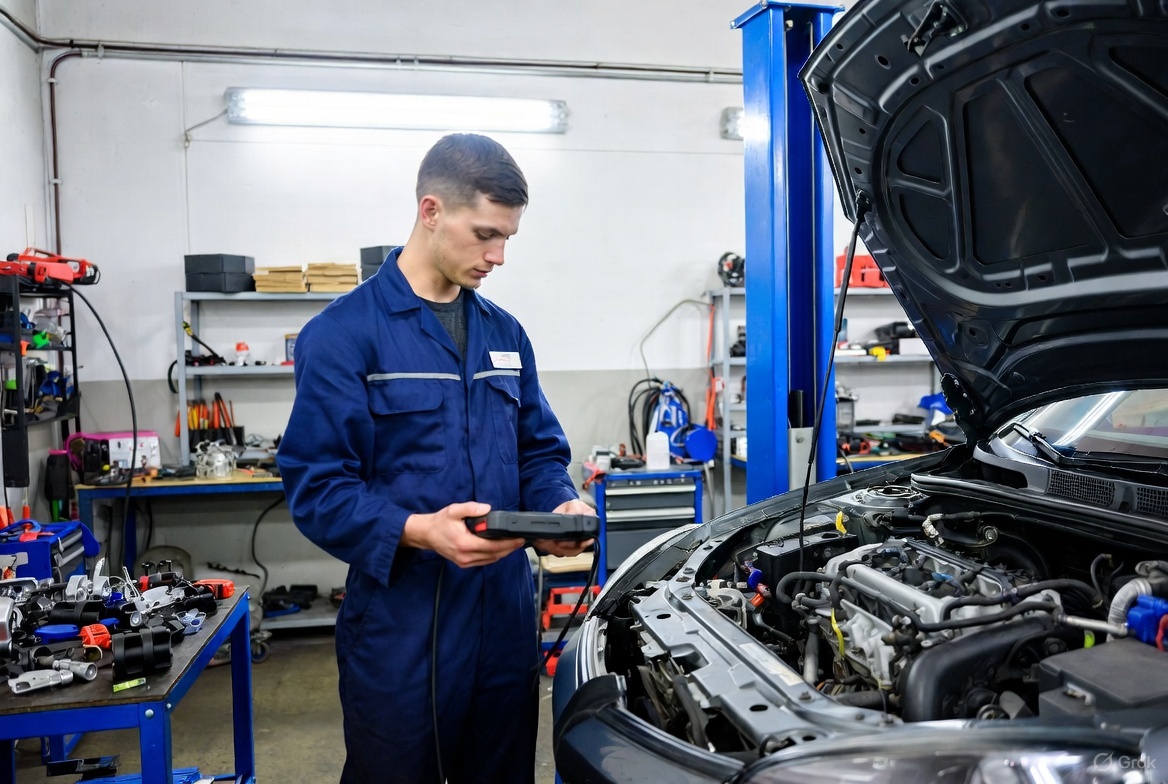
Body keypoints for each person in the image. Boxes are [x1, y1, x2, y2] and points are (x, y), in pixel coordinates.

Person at [277, 133, 595, 783]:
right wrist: (420, 530)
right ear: (431, 212)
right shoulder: (343, 335)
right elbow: (317, 485)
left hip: (504, 619)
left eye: (507, 238)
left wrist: (558, 504)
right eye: (484, 234)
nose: (498, 256)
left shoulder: (506, 335)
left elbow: (537, 452)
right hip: (402, 624)